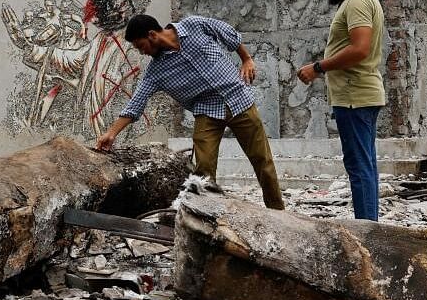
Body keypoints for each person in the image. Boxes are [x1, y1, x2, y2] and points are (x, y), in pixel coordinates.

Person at [95, 14, 285, 209]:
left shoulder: (194, 25)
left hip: (239, 99)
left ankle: (278, 212)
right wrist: (111, 134)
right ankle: (207, 217)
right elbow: (136, 103)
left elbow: (230, 35)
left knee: (263, 161)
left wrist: (246, 59)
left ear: (152, 35)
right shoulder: (156, 71)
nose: (142, 52)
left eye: (140, 45)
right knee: (203, 173)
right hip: (207, 112)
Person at [297, 0, 386, 221]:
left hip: (354, 96)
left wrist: (318, 67)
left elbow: (360, 49)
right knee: (365, 165)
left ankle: (367, 231)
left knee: (359, 166)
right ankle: (371, 227)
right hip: (359, 94)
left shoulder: (358, 1)